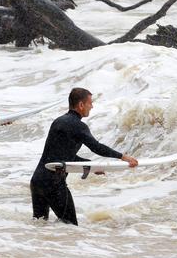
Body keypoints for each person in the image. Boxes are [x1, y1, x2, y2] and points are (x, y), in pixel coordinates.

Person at [30, 88, 138, 225]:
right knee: (70, 227)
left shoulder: (58, 121)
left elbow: (64, 156)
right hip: (53, 184)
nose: (92, 106)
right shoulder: (78, 126)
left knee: (39, 225)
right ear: (81, 105)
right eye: (90, 103)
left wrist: (91, 166)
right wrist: (122, 156)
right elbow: (97, 147)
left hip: (37, 181)